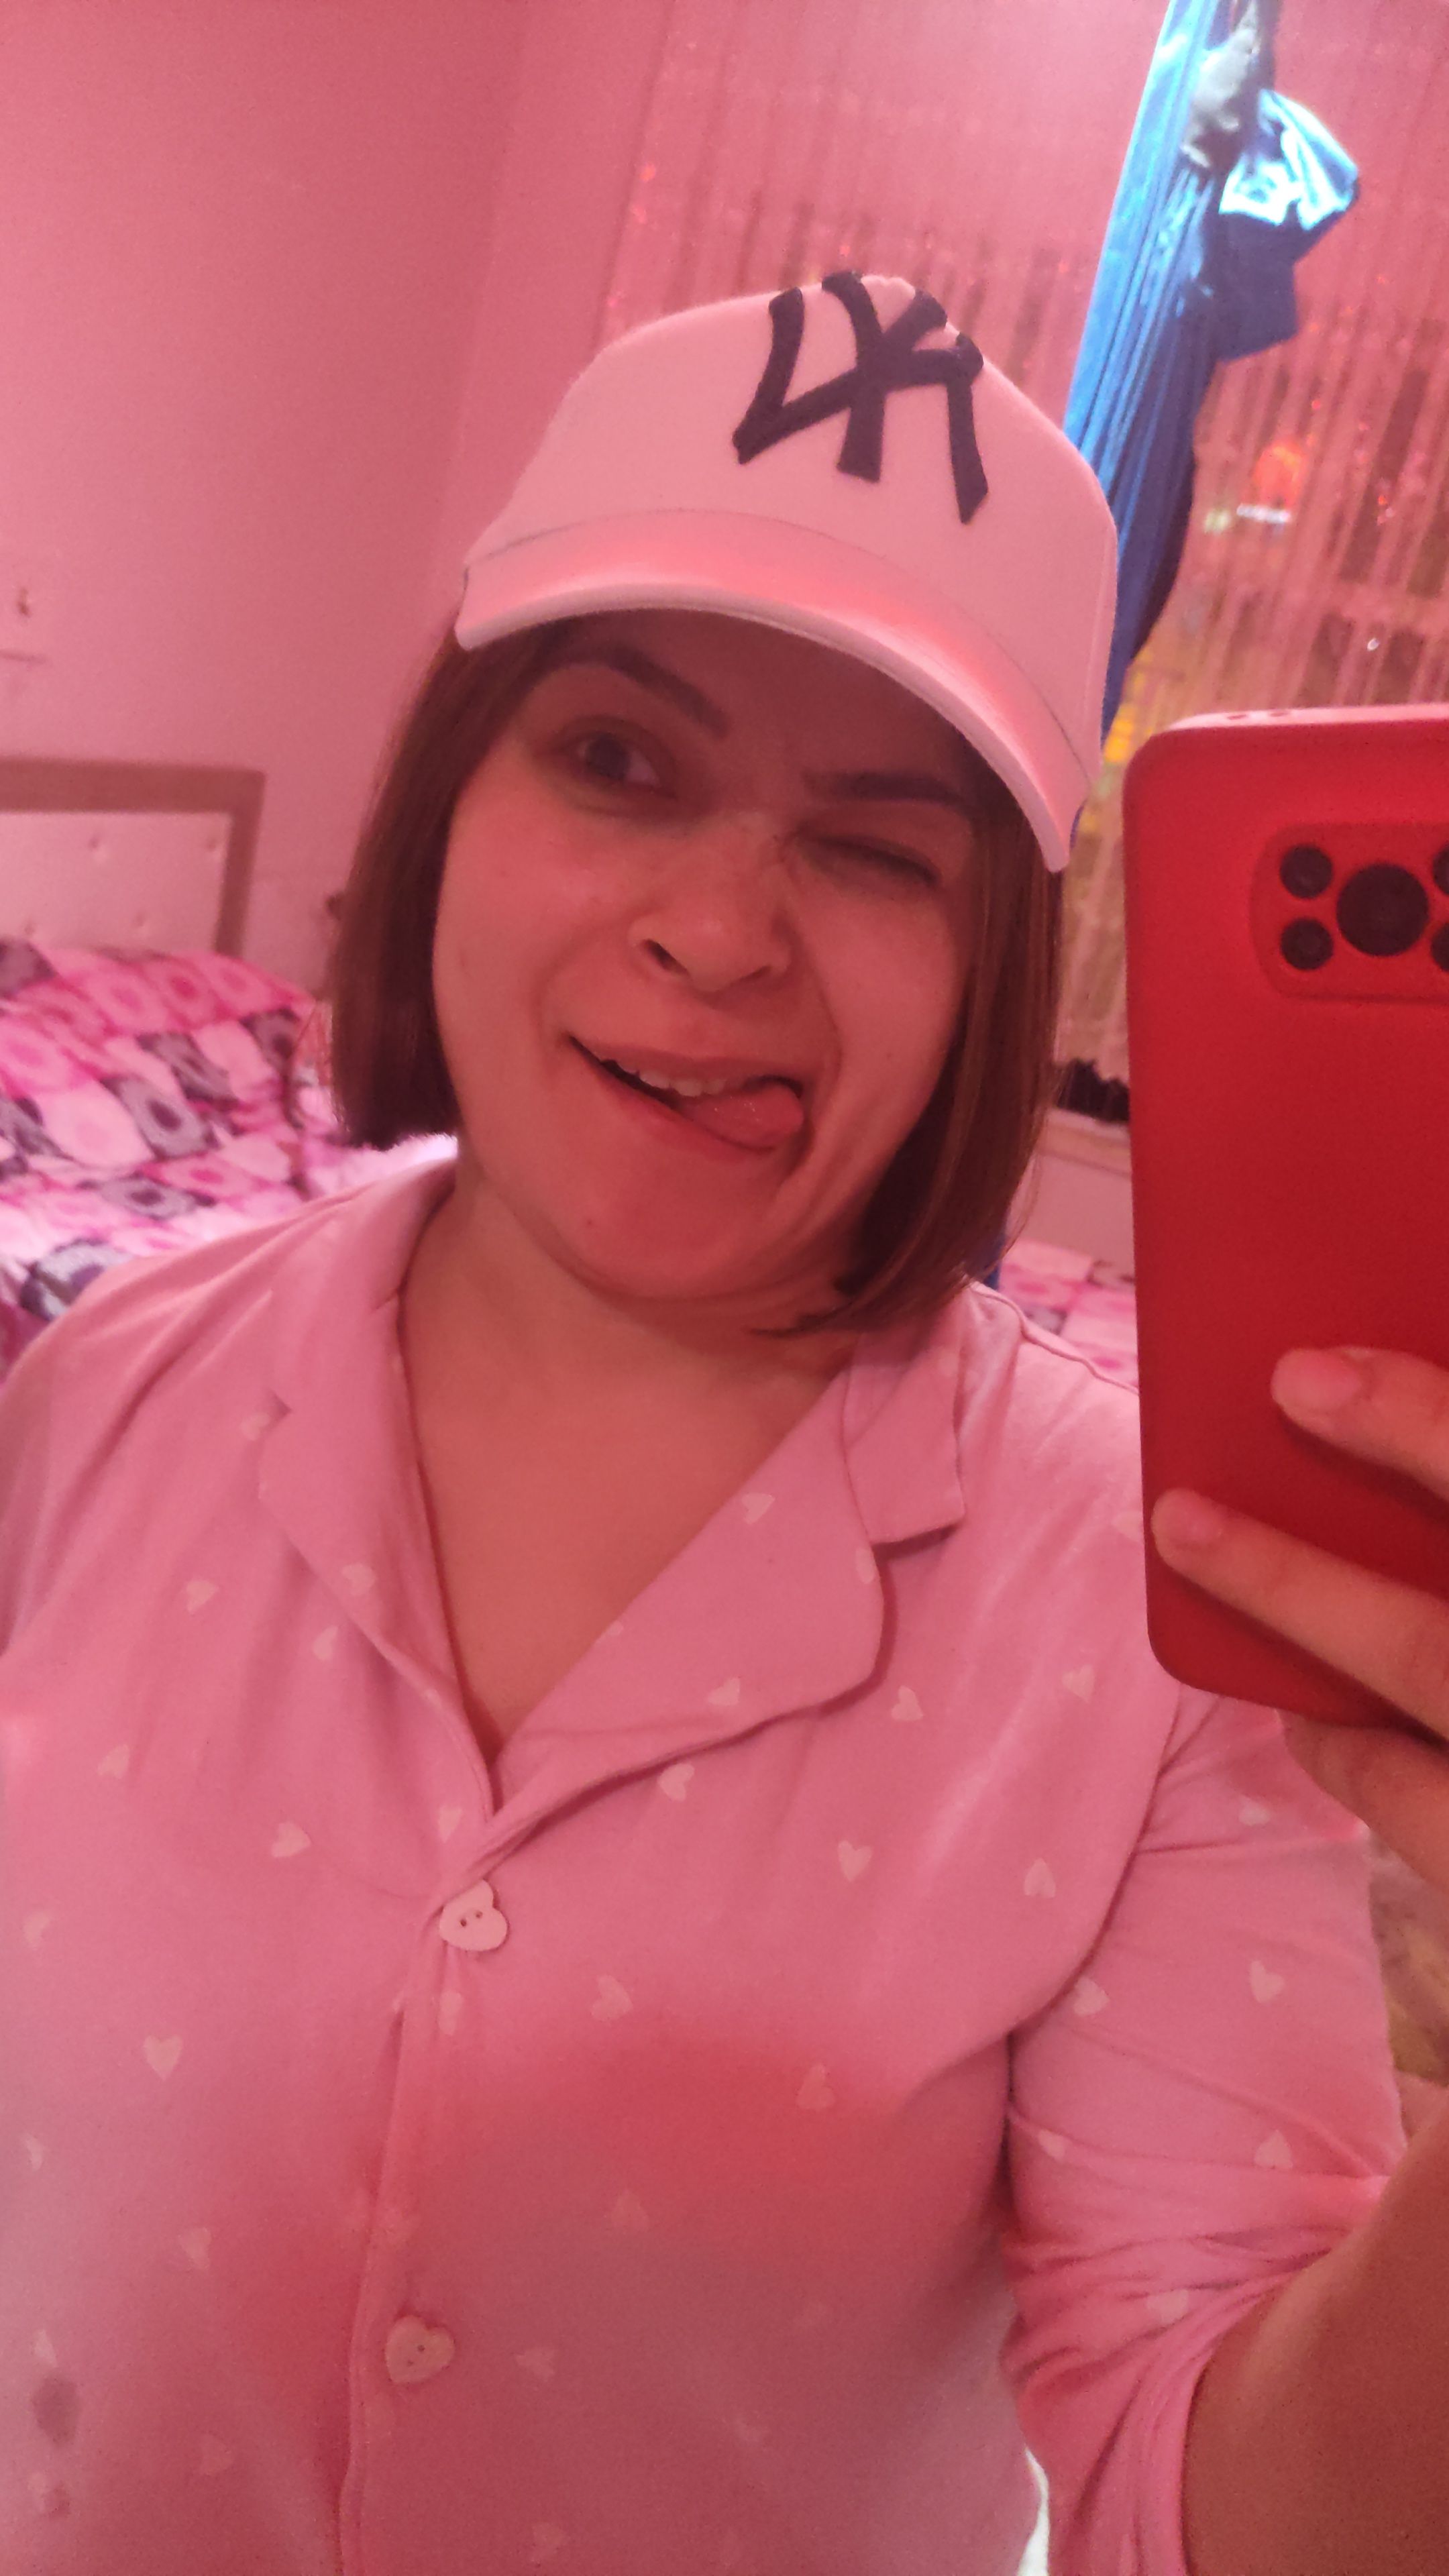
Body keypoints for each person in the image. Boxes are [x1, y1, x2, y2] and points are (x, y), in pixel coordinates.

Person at [0, 270, 1443, 2576]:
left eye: (876, 849)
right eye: (620, 762)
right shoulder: (95, 1397)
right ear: (449, 800)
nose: (717, 933)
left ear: (993, 971)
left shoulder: (1147, 1623)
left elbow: (1225, 2519)